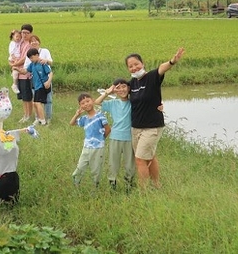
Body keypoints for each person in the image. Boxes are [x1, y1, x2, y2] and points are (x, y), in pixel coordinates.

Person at [125, 47, 185, 189]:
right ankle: (157, 185)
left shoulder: (152, 77)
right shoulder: (132, 83)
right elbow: (120, 93)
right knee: (150, 156)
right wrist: (108, 91)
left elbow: (162, 69)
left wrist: (172, 61)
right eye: (130, 66)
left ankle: (143, 191)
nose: (134, 68)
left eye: (136, 64)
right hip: (136, 127)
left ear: (142, 63)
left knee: (140, 159)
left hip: (152, 127)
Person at [94, 78, 135, 191]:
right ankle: (112, 183)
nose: (121, 90)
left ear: (129, 88)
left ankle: (129, 184)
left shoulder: (133, 102)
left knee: (130, 163)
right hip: (115, 137)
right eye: (118, 88)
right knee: (113, 162)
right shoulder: (112, 103)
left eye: (124, 86)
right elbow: (97, 102)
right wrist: (107, 92)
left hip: (129, 137)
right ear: (114, 90)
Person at [70, 92, 111, 187]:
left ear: (92, 100)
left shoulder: (100, 115)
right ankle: (76, 183)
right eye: (82, 103)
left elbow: (108, 129)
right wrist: (76, 114)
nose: (86, 104)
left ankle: (95, 185)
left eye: (87, 101)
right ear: (80, 106)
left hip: (98, 148)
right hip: (86, 148)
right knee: (80, 166)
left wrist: (101, 139)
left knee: (96, 168)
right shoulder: (84, 119)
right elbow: (72, 123)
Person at [24, 34, 53, 122]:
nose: (34, 42)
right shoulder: (29, 54)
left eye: (35, 40)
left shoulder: (45, 51)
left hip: (46, 79)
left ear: (39, 42)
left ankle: (48, 118)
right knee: (36, 101)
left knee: (48, 100)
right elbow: (26, 68)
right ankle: (38, 118)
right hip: (35, 80)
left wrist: (46, 61)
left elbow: (51, 62)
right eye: (31, 41)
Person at [15, 24, 34, 123]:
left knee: (28, 97)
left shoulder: (30, 45)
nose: (24, 35)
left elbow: (24, 59)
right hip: (19, 73)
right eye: (23, 32)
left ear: (31, 34)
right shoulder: (20, 43)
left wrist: (14, 64)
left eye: (27, 33)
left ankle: (28, 115)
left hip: (26, 74)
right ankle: (25, 114)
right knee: (23, 96)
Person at [7, 29, 22, 94]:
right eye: (16, 36)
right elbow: (12, 53)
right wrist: (16, 60)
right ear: (13, 36)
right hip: (14, 59)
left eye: (20, 36)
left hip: (19, 59)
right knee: (16, 71)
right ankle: (14, 84)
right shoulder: (12, 43)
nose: (18, 38)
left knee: (18, 71)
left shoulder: (20, 42)